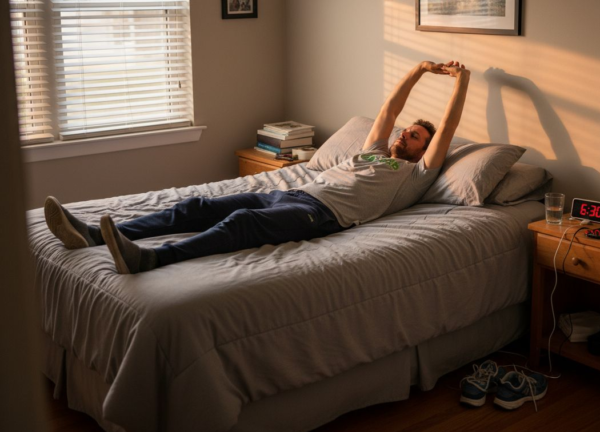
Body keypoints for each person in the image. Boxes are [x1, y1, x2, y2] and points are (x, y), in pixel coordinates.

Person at [44, 60, 471, 274]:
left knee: (242, 222)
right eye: (406, 131)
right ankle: (93, 235)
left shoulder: (416, 174)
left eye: (414, 136)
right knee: (195, 207)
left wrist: (461, 81)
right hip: (294, 193)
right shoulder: (377, 148)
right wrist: (418, 70)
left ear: (425, 151)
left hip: (322, 215)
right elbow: (388, 109)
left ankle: (150, 261)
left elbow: (449, 126)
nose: (403, 135)